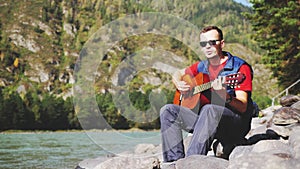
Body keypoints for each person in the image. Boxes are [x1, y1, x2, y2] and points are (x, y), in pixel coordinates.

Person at [160, 25, 254, 162]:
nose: (207, 47)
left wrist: (225, 97)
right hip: (206, 123)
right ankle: (174, 162)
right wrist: (178, 83)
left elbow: (243, 107)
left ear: (222, 43)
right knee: (168, 110)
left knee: (209, 109)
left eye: (212, 42)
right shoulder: (202, 66)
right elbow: (178, 73)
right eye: (203, 44)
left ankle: (191, 163)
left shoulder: (239, 68)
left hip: (234, 124)